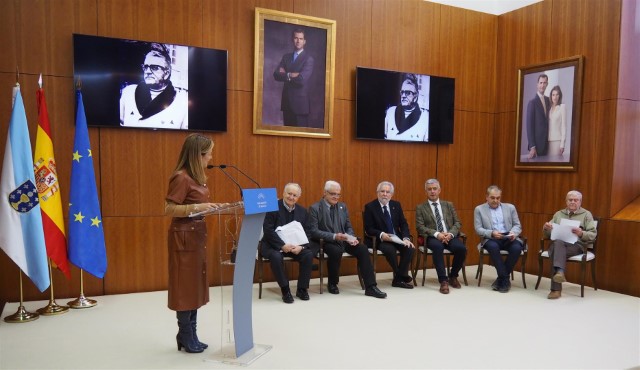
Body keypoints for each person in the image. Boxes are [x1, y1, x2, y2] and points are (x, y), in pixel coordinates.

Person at [164, 134, 226, 353]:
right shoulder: (181, 177)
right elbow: (169, 209)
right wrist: (198, 208)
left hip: (196, 235)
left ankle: (189, 334)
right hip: (183, 238)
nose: (211, 156)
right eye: (208, 152)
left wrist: (213, 207)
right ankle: (186, 334)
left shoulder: (197, 177)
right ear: (197, 155)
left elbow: (198, 205)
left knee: (195, 285)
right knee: (185, 287)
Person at [307, 180, 387, 298]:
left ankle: (370, 287)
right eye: (332, 194)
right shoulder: (315, 208)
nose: (336, 197)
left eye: (338, 194)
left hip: (344, 240)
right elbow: (313, 231)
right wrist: (334, 236)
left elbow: (348, 226)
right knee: (336, 251)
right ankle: (332, 283)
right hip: (327, 241)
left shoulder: (342, 206)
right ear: (325, 193)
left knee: (362, 249)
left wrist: (351, 237)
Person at [261, 183, 314, 303]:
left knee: (308, 254)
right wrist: (281, 245)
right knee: (275, 256)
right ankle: (285, 290)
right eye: (289, 193)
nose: (291, 197)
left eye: (295, 195)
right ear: (283, 193)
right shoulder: (272, 207)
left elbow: (308, 232)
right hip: (273, 245)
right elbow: (268, 230)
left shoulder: (303, 211)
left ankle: (302, 289)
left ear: (298, 197)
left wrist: (301, 246)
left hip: (295, 246)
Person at [542, 190, 597, 299]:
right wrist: (546, 228)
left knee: (554, 250)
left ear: (580, 202)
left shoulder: (586, 214)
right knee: (557, 244)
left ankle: (555, 290)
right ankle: (560, 273)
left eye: (575, 200)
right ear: (566, 201)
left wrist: (581, 233)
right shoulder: (558, 214)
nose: (572, 202)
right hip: (559, 243)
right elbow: (548, 234)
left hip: (576, 246)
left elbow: (593, 234)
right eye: (570, 200)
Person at [415, 179, 467, 294]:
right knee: (438, 248)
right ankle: (443, 281)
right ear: (426, 191)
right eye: (429, 189)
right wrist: (437, 234)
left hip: (449, 235)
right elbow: (420, 227)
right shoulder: (421, 208)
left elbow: (457, 222)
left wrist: (450, 234)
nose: (432, 191)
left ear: (439, 190)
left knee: (461, 249)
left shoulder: (448, 205)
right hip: (432, 237)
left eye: (434, 189)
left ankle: (453, 276)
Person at [120, 43, 188, 129]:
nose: (148, 71)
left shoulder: (181, 102)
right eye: (145, 67)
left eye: (154, 67)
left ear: (166, 73)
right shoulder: (128, 92)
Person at [363, 181, 415, 289]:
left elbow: (403, 224)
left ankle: (398, 278)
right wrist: (381, 234)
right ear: (378, 193)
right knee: (389, 250)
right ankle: (401, 276)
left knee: (409, 248)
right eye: (382, 191)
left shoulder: (396, 205)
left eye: (388, 192)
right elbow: (369, 228)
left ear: (391, 194)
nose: (385, 194)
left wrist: (406, 238)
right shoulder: (370, 207)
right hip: (380, 240)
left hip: (397, 238)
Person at [473, 185, 524, 293]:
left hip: (508, 237)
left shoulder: (510, 208)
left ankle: (501, 278)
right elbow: (478, 229)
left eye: (498, 198)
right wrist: (491, 233)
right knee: (493, 247)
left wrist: (513, 233)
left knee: (516, 248)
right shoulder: (479, 209)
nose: (495, 200)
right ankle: (505, 279)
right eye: (492, 198)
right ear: (486, 197)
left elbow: (517, 225)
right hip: (491, 238)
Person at [273, 28, 314, 127]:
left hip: (300, 106)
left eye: (301, 38)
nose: (298, 41)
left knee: (300, 141)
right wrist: (291, 74)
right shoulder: (286, 57)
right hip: (287, 103)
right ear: (292, 39)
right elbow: (276, 75)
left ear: (304, 41)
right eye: (296, 38)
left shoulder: (308, 59)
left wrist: (285, 74)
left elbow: (301, 80)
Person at [384, 73, 429, 142]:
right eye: (402, 92)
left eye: (408, 92)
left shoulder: (424, 117)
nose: (403, 96)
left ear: (416, 96)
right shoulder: (391, 112)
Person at [526, 73, 550, 158]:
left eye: (544, 83)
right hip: (537, 146)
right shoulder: (532, 103)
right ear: (537, 84)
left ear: (547, 84)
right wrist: (532, 147)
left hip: (547, 145)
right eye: (541, 83)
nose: (542, 85)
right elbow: (529, 126)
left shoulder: (548, 100)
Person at [547, 85, 567, 158]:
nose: (555, 97)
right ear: (551, 96)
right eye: (553, 95)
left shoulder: (562, 107)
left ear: (559, 96)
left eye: (557, 94)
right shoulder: (549, 108)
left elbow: (564, 127)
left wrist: (562, 144)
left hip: (557, 141)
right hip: (548, 141)